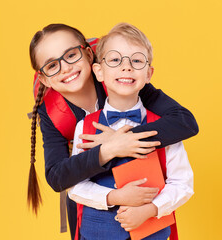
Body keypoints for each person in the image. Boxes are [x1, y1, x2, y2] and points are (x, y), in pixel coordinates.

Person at [28, 23, 198, 239]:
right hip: (94, 207)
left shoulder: (122, 80)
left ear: (89, 55)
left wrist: (127, 139)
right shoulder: (52, 113)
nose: (66, 67)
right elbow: (58, 176)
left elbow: (185, 122)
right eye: (52, 65)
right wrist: (109, 150)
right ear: (43, 78)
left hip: (147, 204)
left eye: (71, 55)